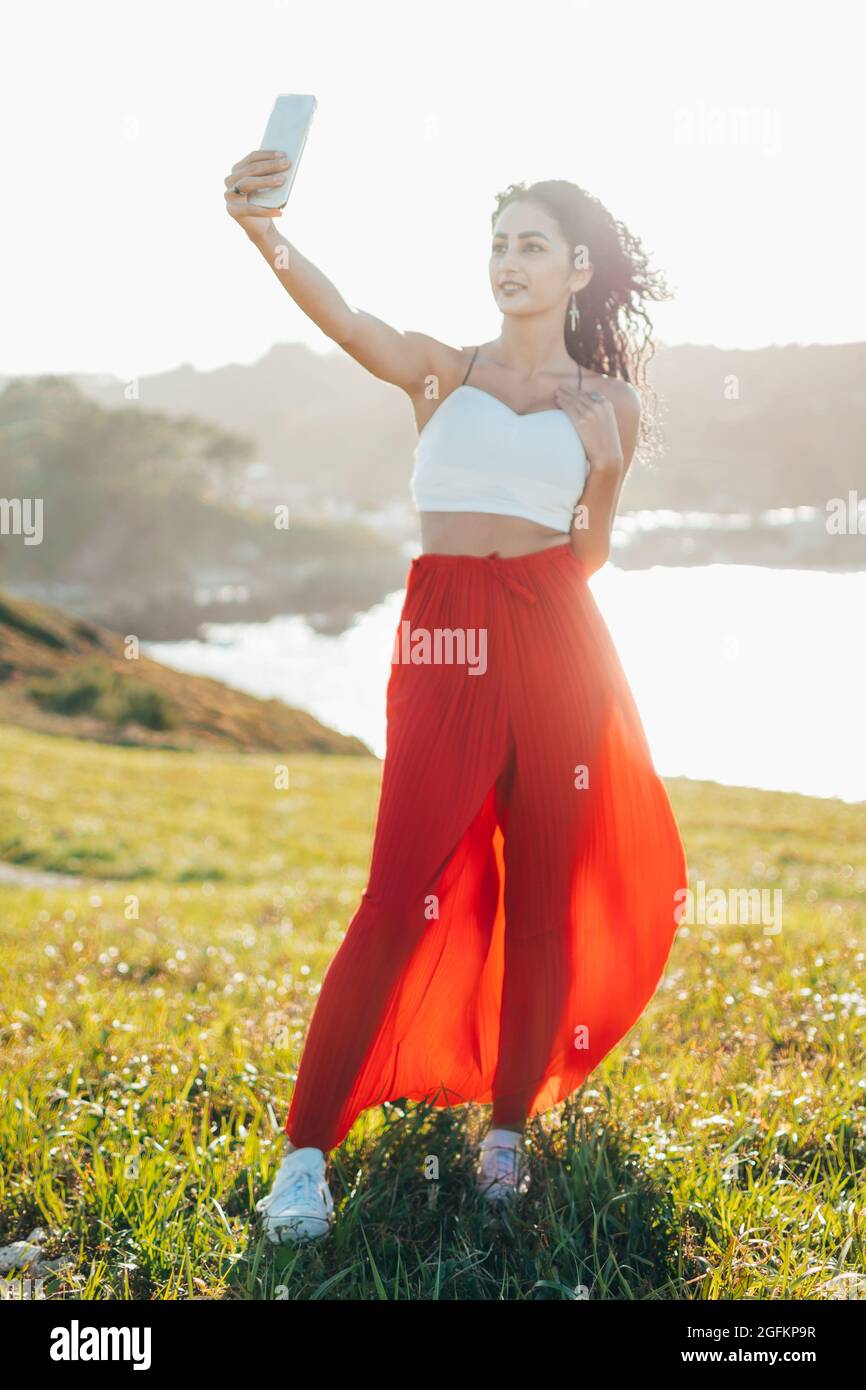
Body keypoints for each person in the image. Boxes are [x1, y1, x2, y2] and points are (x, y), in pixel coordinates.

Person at [224, 153, 688, 1242]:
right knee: (395, 890)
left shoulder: (607, 398)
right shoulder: (440, 371)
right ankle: (303, 1157)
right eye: (497, 244)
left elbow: (590, 556)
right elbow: (343, 319)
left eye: (530, 244)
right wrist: (262, 231)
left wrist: (605, 466)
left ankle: (507, 1137)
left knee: (541, 902)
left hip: (558, 636)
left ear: (578, 268)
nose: (507, 262)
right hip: (441, 636)